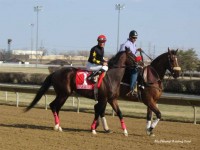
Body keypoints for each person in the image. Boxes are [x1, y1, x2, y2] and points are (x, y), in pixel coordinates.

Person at [119, 30, 142, 96]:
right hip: (126, 65)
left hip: (132, 63)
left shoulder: (133, 44)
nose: (135, 39)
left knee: (141, 69)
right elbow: (121, 55)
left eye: (136, 38)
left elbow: (132, 55)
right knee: (135, 71)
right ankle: (132, 90)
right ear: (130, 37)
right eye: (133, 37)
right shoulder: (126, 44)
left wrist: (137, 50)